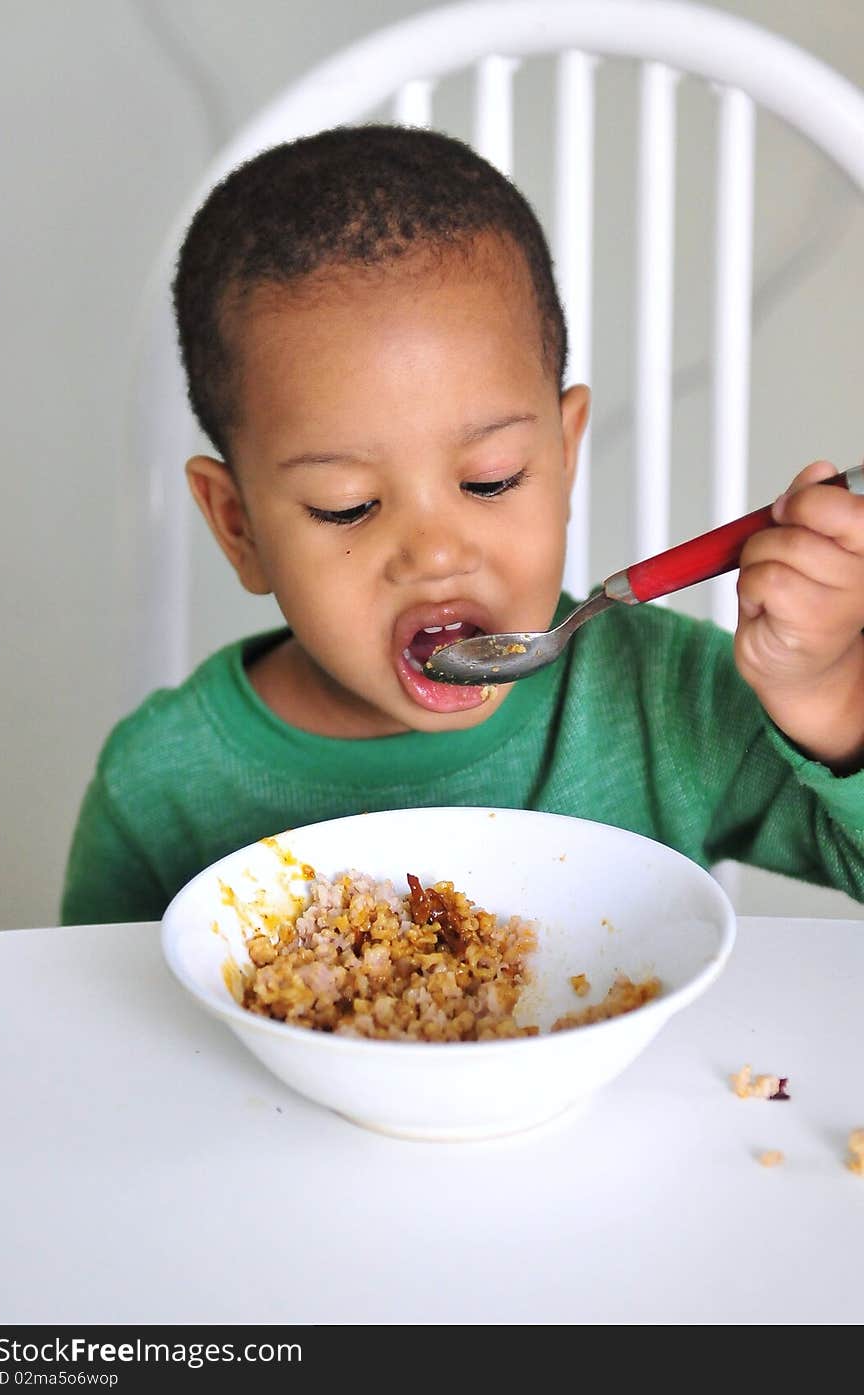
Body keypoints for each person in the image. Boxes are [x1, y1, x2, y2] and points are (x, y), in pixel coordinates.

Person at [61, 125, 864, 925]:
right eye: (347, 504)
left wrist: (834, 703)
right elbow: (83, 1036)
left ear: (564, 454)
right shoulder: (160, 788)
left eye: (492, 479)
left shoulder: (667, 702)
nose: (436, 550)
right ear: (239, 527)